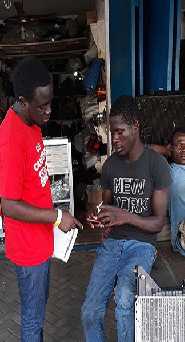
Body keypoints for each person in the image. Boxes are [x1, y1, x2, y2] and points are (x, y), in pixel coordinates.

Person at [0, 56, 82, 342]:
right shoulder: (11, 139)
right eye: (41, 106)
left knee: (38, 312)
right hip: (28, 249)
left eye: (50, 103)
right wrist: (57, 217)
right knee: (33, 319)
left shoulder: (30, 123)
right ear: (22, 102)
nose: (48, 111)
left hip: (41, 240)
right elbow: (8, 205)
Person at [81, 95, 172, 342]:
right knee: (89, 311)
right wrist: (99, 215)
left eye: (120, 132)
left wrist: (125, 216)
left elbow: (157, 223)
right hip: (112, 245)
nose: (115, 139)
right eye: (112, 133)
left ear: (136, 126)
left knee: (124, 300)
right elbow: (108, 207)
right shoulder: (111, 166)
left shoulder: (157, 165)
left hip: (142, 246)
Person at [151, 127, 185, 256]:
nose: (184, 150)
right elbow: (142, 150)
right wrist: (165, 150)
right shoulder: (168, 171)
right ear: (171, 148)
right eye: (179, 145)